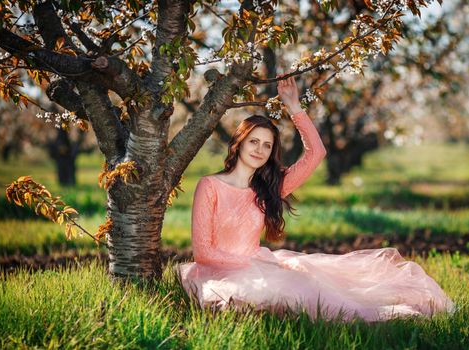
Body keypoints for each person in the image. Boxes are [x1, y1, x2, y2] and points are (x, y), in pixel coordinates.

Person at [179, 75, 454, 322]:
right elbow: (203, 252)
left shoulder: (269, 188)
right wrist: (251, 265)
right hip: (218, 273)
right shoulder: (210, 186)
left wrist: (295, 108)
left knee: (317, 301)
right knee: (255, 304)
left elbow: (315, 154)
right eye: (253, 142)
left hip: (260, 266)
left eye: (267, 145)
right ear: (238, 143)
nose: (259, 150)